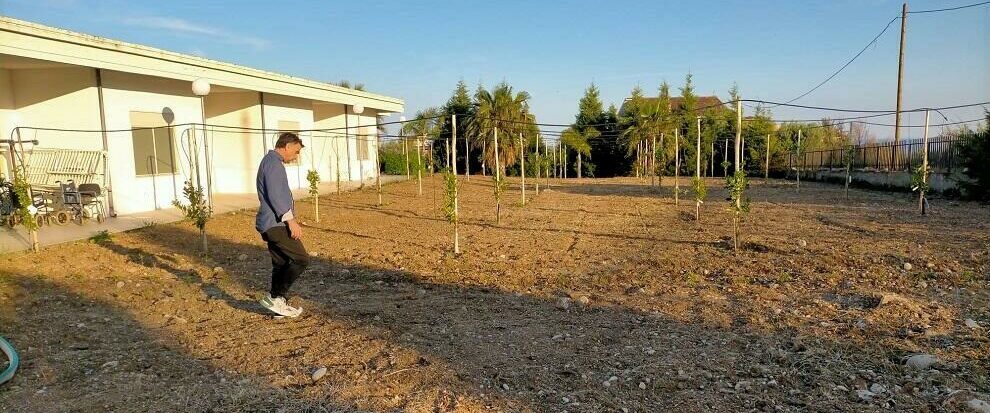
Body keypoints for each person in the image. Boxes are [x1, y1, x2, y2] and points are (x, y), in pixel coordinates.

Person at [256, 132, 308, 317]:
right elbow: (276, 195)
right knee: (301, 259)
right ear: (287, 146)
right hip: (275, 223)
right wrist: (291, 221)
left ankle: (277, 303)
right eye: (296, 152)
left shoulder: (269, 161)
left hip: (270, 223)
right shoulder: (273, 164)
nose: (296, 157)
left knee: (281, 263)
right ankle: (276, 297)